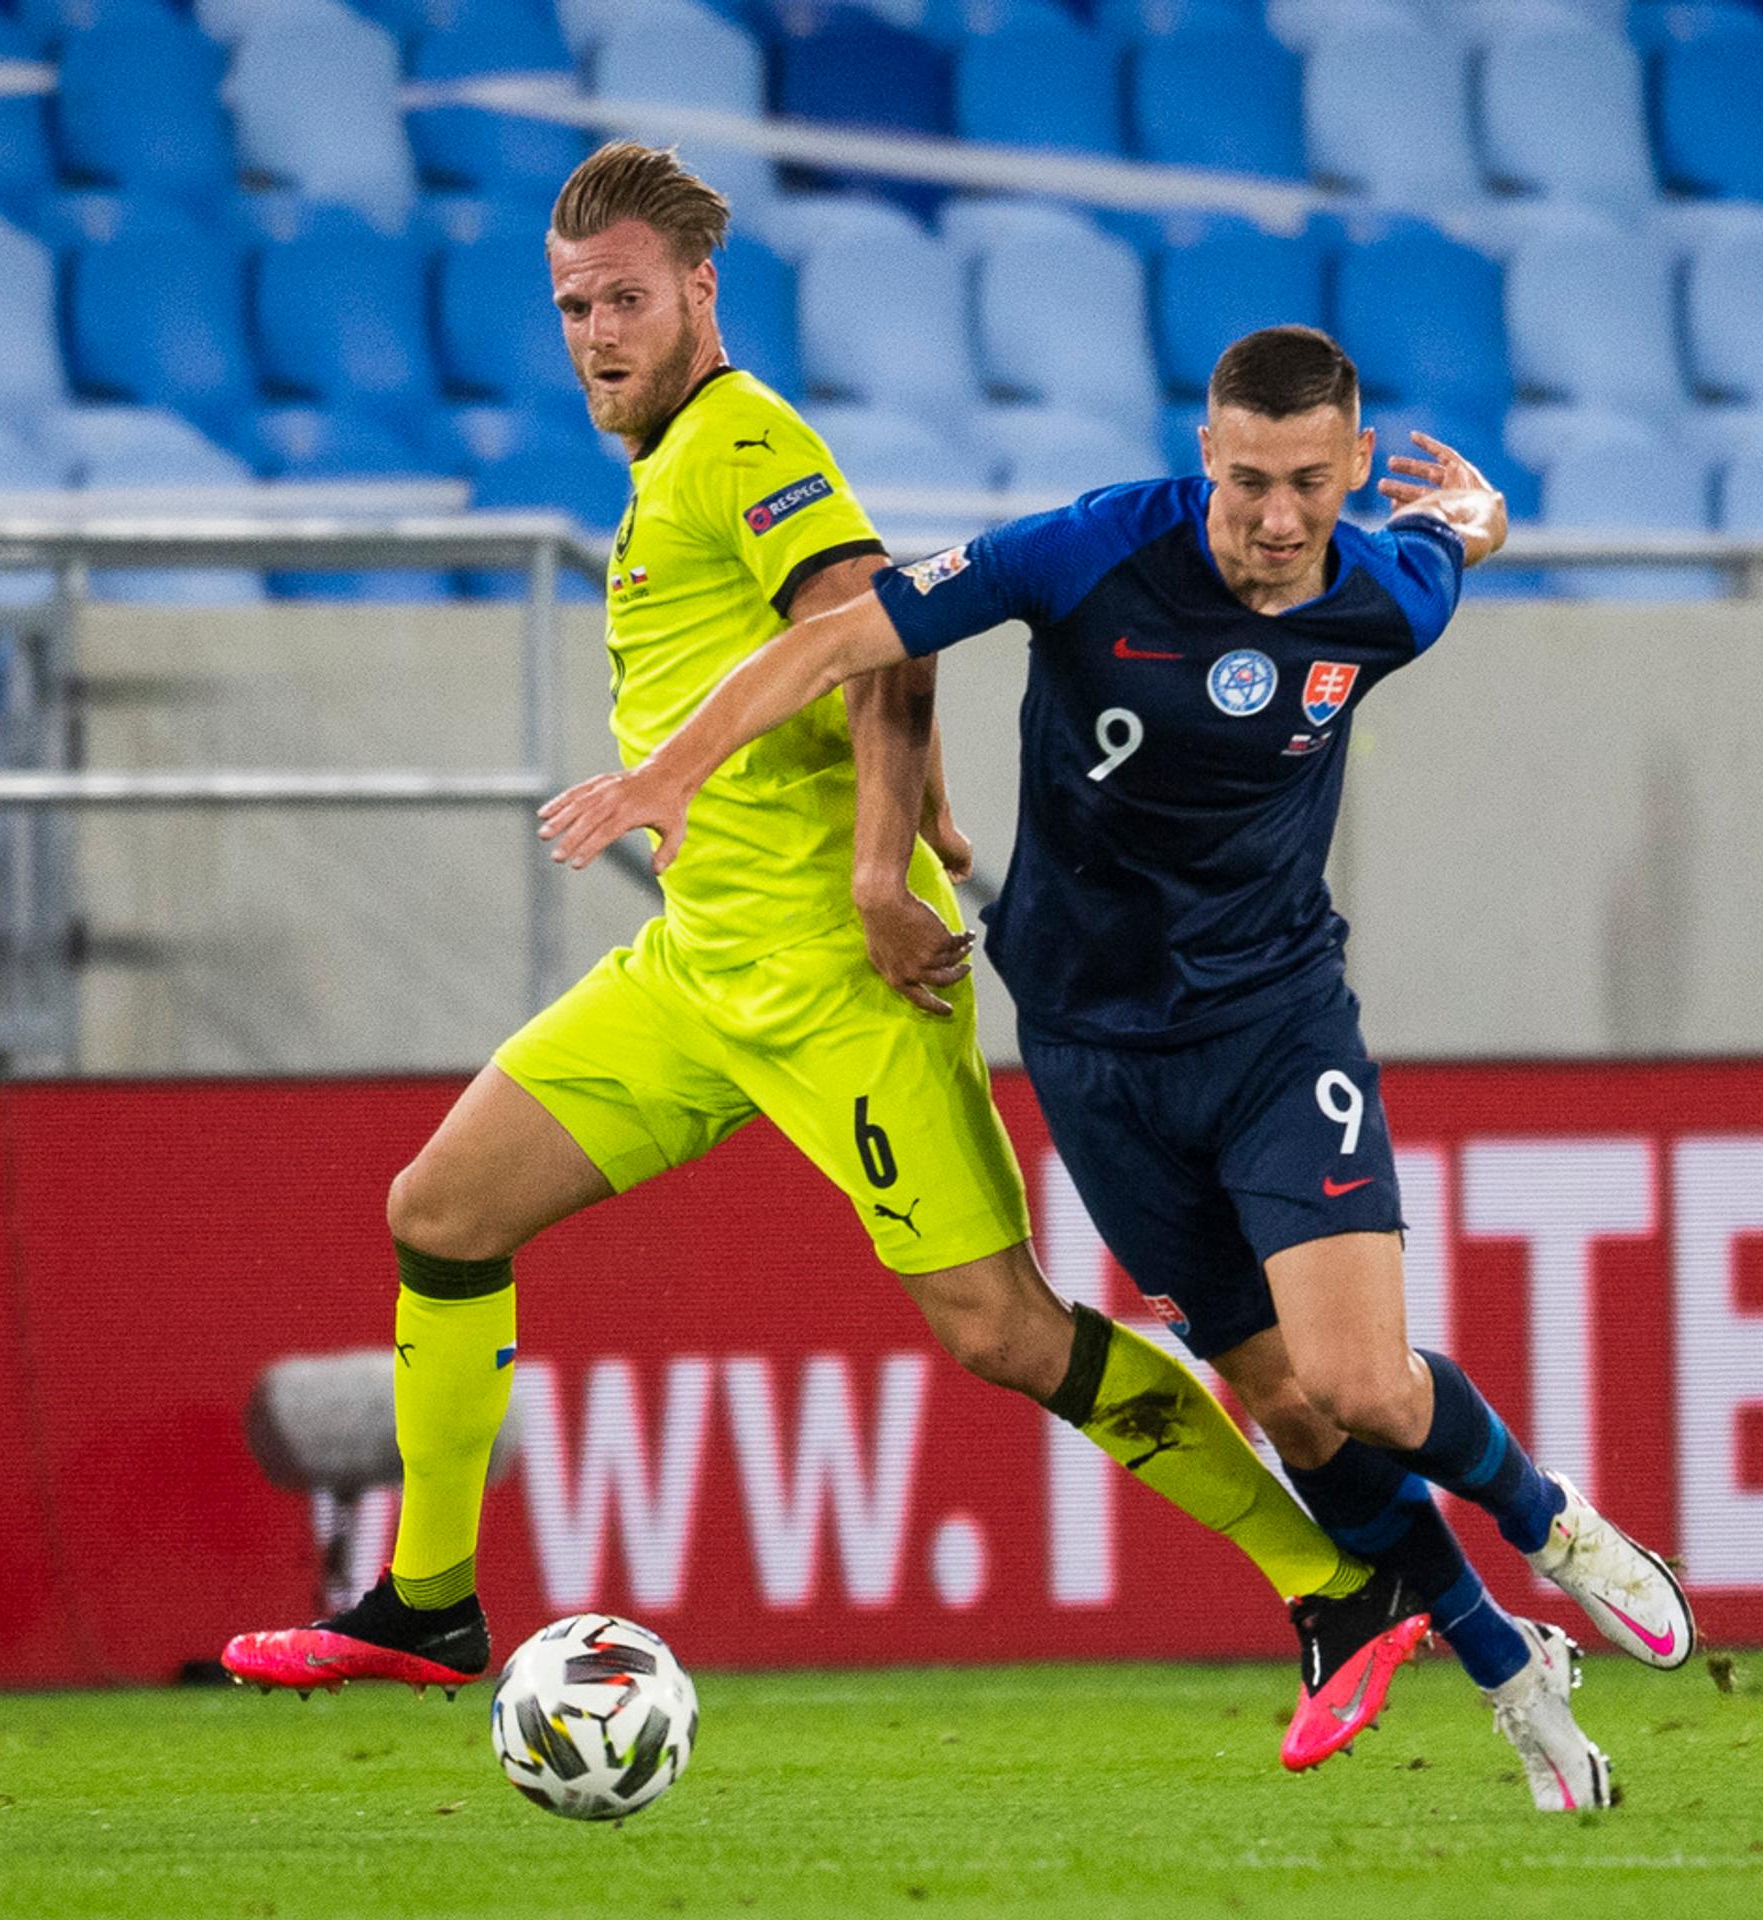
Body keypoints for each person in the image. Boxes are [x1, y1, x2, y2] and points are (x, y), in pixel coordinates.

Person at [221, 150, 1430, 1768]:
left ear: (701, 296)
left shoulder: (747, 440)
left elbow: (881, 636)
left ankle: (1327, 1585)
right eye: (575, 307)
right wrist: (910, 824)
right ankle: (429, 1603)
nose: (597, 334)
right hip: (692, 968)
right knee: (440, 1211)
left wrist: (881, 866)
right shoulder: (663, 467)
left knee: (1003, 1329)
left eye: (627, 301)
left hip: (829, 989)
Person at [539, 324, 1701, 1812]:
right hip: (1096, 1055)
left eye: (1309, 484)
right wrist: (670, 770)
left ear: (1350, 470)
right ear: (1203, 457)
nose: (1277, 520)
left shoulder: (1381, 598)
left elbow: (1454, 538)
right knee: (1286, 1413)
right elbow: (847, 636)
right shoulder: (1091, 551)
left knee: (1360, 1379)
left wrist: (1481, 510)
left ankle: (1557, 1530)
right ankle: (1505, 1674)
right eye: (1247, 482)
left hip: (1276, 1028)